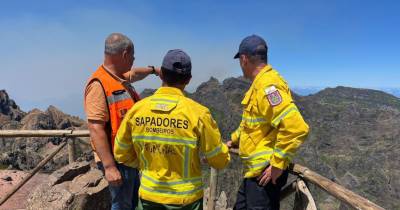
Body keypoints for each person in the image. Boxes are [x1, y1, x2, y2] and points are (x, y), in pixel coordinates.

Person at [114, 49, 231, 210]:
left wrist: (144, 164)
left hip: (149, 197)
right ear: (188, 80)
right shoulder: (198, 113)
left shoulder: (137, 110)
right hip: (186, 201)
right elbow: (218, 159)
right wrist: (224, 150)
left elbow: (120, 152)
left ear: (161, 74)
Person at [227, 35, 310, 210]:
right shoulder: (259, 85)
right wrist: (234, 139)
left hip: (265, 175)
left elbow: (296, 127)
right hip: (255, 174)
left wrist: (278, 163)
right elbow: (251, 124)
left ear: (244, 59)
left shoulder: (267, 86)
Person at [84, 33, 159, 210]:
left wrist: (154, 70)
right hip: (117, 161)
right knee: (122, 205)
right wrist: (110, 167)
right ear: (125, 54)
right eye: (132, 56)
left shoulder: (117, 77)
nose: (133, 60)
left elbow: (135, 74)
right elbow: (96, 128)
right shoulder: (99, 84)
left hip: (127, 158)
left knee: (131, 203)